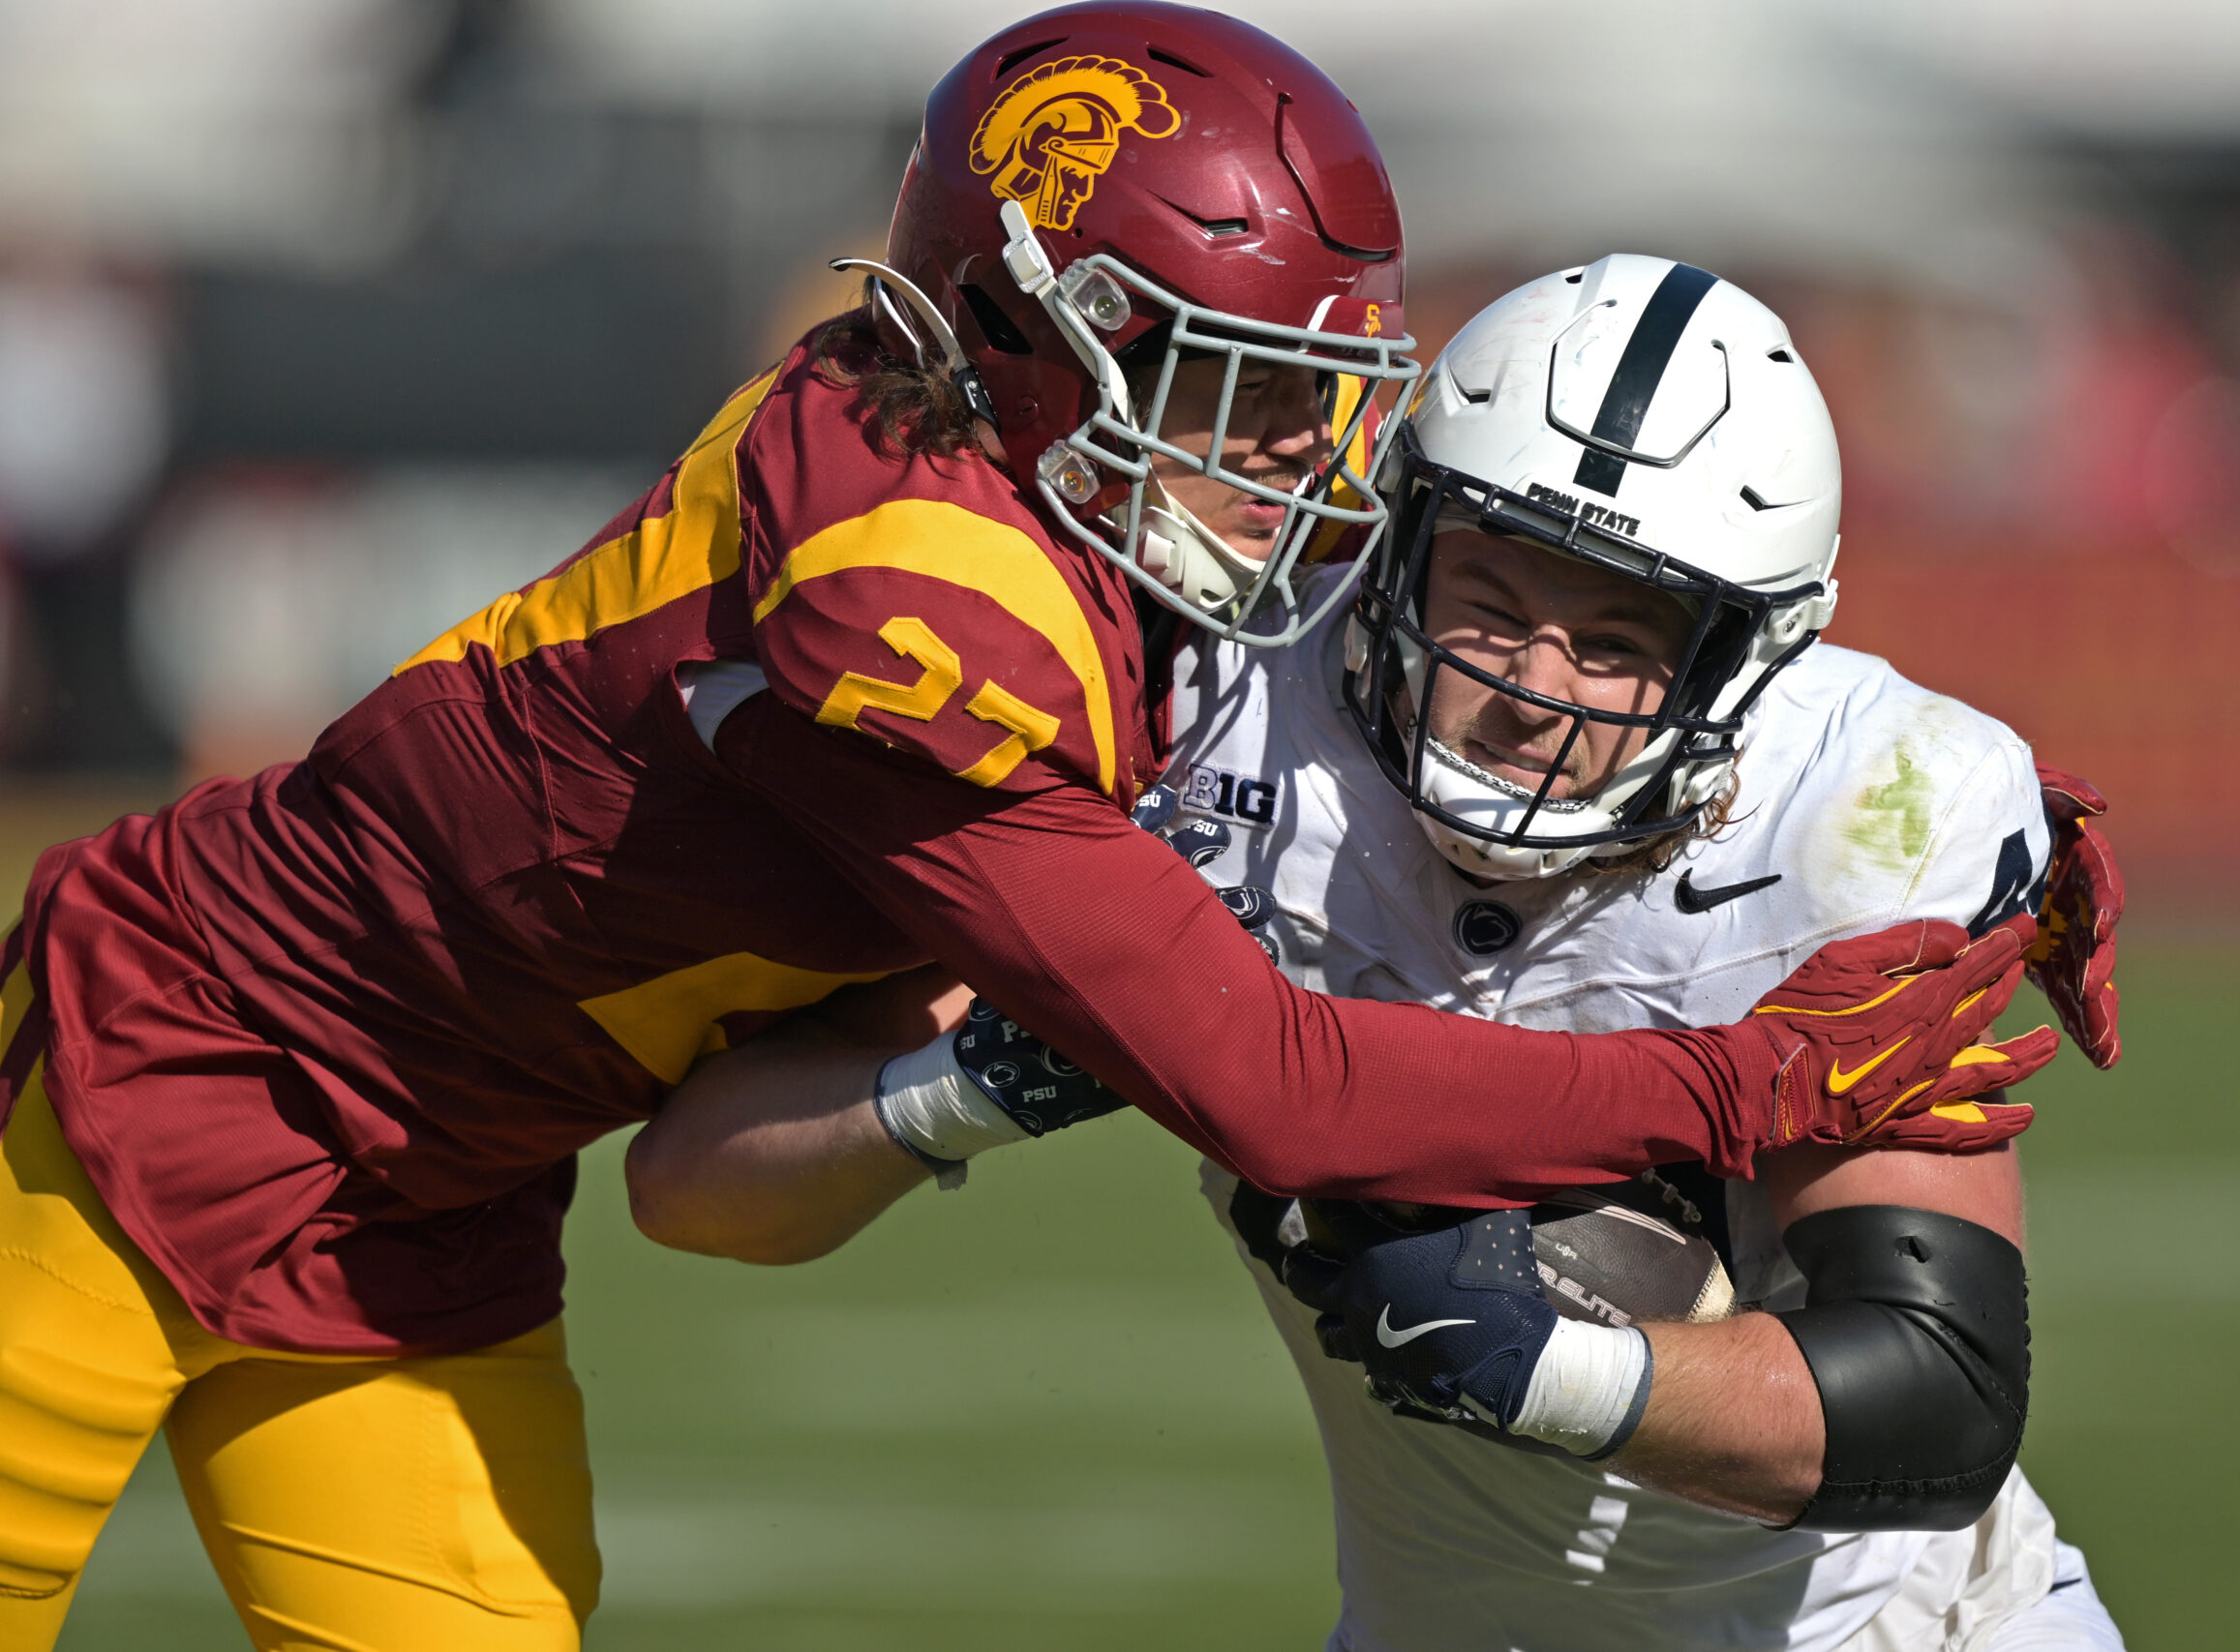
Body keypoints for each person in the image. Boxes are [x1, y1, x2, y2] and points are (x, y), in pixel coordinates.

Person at [0, 9, 2043, 1649]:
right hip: (146, 1080)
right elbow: (1277, 1089)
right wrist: (1743, 1079)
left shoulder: (1070, 544)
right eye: (1234, 389)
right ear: (1023, 335)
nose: (1287, 457)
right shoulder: (920, 604)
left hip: (426, 1205)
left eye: (1314, 393)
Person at [625, 256, 2129, 1649]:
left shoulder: (1859, 813)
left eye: (1617, 641)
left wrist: (1549, 1363)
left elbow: (1934, 1398)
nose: (1536, 689)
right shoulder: (1217, 705)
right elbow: (695, 1187)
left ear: (1745, 659)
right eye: (1492, 594)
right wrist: (968, 1084)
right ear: (1400, 534)